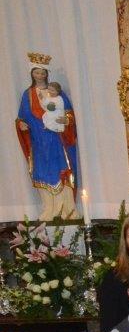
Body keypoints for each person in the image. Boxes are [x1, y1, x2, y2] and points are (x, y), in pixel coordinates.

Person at [15, 59, 79, 221]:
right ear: (32, 74)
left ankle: (67, 209)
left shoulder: (56, 92)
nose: (39, 75)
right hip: (38, 140)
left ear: (46, 74)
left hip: (57, 139)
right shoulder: (28, 94)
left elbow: (69, 113)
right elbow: (21, 116)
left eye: (42, 73)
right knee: (42, 171)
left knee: (61, 169)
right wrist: (21, 124)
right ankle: (49, 209)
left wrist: (66, 120)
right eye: (36, 72)